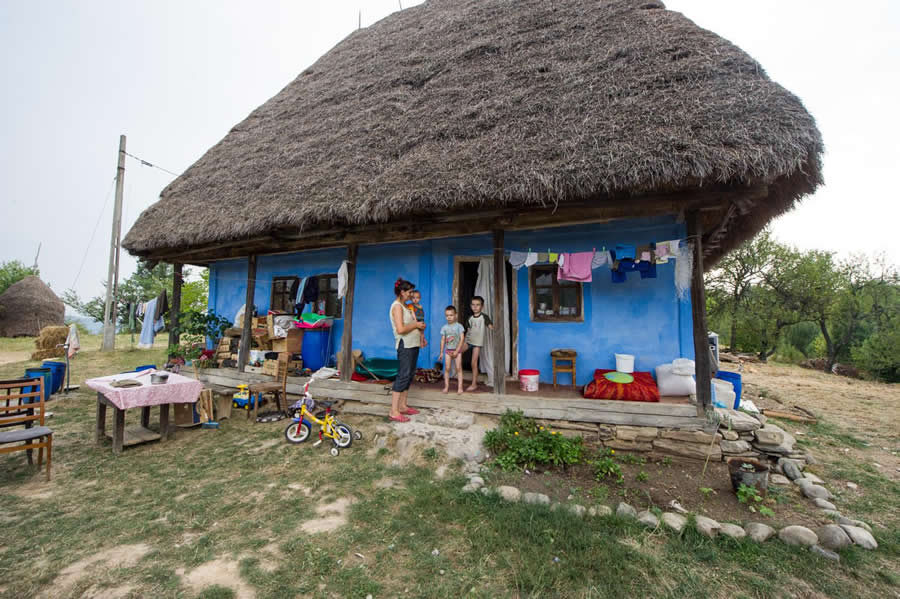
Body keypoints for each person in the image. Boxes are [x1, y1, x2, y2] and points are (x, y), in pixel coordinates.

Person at [389, 278, 426, 422]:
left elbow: (411, 324)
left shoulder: (406, 306)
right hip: (405, 345)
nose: (411, 295)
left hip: (413, 344)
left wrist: (421, 333)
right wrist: (416, 325)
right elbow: (401, 329)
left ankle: (403, 406)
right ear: (402, 292)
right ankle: (394, 411)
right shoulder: (397, 306)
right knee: (403, 375)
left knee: (409, 374)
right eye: (409, 292)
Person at [466, 296, 493, 391]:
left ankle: (474, 384)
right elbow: (468, 331)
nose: (475, 307)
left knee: (473, 363)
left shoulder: (484, 317)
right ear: (470, 306)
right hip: (468, 341)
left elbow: (491, 327)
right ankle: (457, 377)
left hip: (477, 343)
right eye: (473, 305)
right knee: (456, 352)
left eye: (478, 305)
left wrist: (494, 328)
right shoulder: (470, 318)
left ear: (482, 306)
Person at [439, 305, 466, 394]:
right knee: (447, 368)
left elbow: (462, 339)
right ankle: (446, 387)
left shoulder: (459, 326)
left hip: (457, 351)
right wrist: (441, 352)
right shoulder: (444, 328)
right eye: (447, 315)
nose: (449, 317)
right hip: (448, 351)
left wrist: (457, 350)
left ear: (455, 315)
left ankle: (460, 388)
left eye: (451, 315)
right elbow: (443, 340)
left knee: (458, 368)